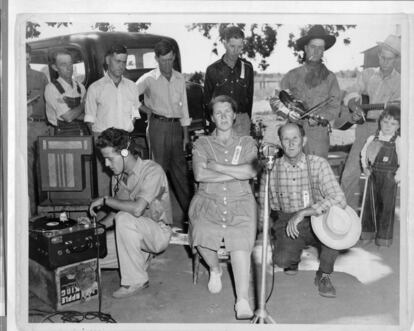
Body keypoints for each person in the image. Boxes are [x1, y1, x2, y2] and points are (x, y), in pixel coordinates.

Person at [259, 122, 347, 298]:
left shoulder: (318, 164)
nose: (291, 143)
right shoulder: (271, 169)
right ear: (280, 143)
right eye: (286, 139)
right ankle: (292, 257)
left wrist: (304, 212)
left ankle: (324, 275)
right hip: (286, 218)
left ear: (304, 140)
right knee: (281, 260)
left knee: (336, 234)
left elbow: (339, 198)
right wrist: (264, 223)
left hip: (317, 217)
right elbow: (264, 204)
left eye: (295, 138)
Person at [189, 95, 257, 319]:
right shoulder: (202, 143)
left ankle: (242, 300)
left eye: (228, 111)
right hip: (208, 200)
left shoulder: (247, 142)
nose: (224, 116)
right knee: (200, 231)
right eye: (218, 113)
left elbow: (251, 172)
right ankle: (215, 269)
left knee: (239, 238)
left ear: (235, 114)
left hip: (241, 202)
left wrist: (216, 166)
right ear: (211, 117)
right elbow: (200, 174)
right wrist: (236, 172)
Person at [89, 128, 172, 299]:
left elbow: (136, 209)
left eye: (109, 159)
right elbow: (118, 212)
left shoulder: (152, 171)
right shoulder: (118, 177)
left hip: (157, 233)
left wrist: (105, 200)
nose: (106, 164)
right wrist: (93, 230)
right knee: (89, 255)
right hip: (132, 233)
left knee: (124, 219)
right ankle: (141, 259)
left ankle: (136, 280)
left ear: (125, 153)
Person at [340, 35, 401, 212]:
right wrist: (354, 105)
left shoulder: (401, 82)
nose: (384, 61)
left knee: (378, 178)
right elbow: (351, 93)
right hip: (363, 128)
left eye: (389, 58)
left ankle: (373, 224)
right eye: (382, 57)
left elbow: (397, 110)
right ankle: (347, 216)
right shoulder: (367, 74)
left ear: (396, 59)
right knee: (349, 174)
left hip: (385, 133)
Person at [136, 39, 192, 218]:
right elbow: (128, 96)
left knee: (182, 175)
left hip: (177, 129)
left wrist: (185, 136)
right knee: (158, 174)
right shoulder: (149, 79)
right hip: (157, 128)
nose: (167, 64)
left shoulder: (180, 78)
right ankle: (159, 220)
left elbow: (184, 109)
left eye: (170, 59)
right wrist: (146, 110)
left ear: (174, 57)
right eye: (163, 60)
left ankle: (191, 218)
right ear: (156, 59)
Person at [85, 44, 141, 196]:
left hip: (126, 143)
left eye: (124, 62)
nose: (121, 65)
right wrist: (102, 144)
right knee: (105, 186)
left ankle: (126, 216)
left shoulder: (132, 87)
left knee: (128, 185)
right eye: (118, 61)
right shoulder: (95, 88)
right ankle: (104, 217)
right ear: (108, 60)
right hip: (105, 145)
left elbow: (135, 113)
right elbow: (90, 119)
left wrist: (128, 130)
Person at [280, 25, 341, 159]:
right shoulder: (292, 75)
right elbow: (277, 100)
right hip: (293, 134)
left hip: (318, 136)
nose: (317, 51)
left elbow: (335, 107)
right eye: (313, 47)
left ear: (324, 51)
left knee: (315, 174)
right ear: (306, 48)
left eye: (320, 48)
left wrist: (320, 117)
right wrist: (288, 113)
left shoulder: (331, 78)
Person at [360, 105, 400, 247]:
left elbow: (403, 162)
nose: (388, 126)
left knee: (386, 208)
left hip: (389, 177)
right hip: (373, 175)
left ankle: (383, 238)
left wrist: (397, 177)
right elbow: (364, 154)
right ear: (380, 121)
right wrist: (365, 167)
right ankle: (367, 232)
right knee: (369, 205)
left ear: (398, 126)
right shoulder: (373, 138)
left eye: (393, 123)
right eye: (385, 122)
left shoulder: (397, 141)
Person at [204, 26, 254, 136]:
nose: (236, 51)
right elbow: (207, 102)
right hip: (220, 122)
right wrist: (214, 123)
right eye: (232, 46)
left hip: (241, 123)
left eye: (239, 47)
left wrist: (247, 122)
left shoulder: (248, 68)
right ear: (224, 43)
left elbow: (249, 99)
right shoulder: (212, 70)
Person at [26, 43, 49, 216]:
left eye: (27, 55)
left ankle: (44, 213)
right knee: (26, 174)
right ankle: (31, 213)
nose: (25, 59)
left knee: (44, 172)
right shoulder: (7, 76)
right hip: (21, 127)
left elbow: (49, 103)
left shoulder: (40, 76)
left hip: (41, 126)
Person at [44, 49, 87, 135]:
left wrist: (74, 113)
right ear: (55, 67)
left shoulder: (80, 87)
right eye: (63, 64)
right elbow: (68, 117)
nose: (69, 68)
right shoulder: (51, 88)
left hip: (83, 133)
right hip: (63, 136)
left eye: (70, 63)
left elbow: (87, 115)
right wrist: (84, 103)